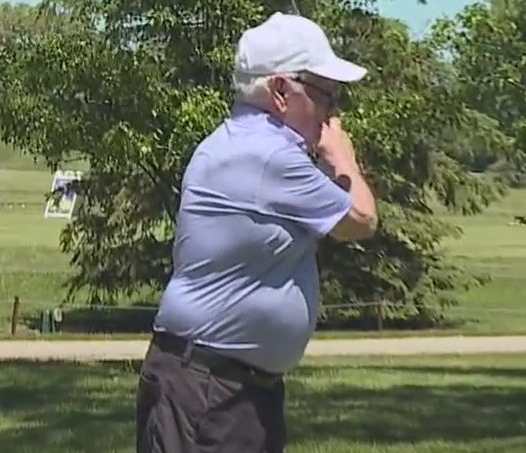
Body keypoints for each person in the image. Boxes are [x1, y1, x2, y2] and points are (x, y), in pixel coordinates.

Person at [135, 12, 378, 453]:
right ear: (282, 91)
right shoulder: (269, 158)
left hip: (221, 385)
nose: (333, 111)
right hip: (212, 391)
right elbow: (360, 220)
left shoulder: (240, 144)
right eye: (326, 94)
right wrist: (344, 158)